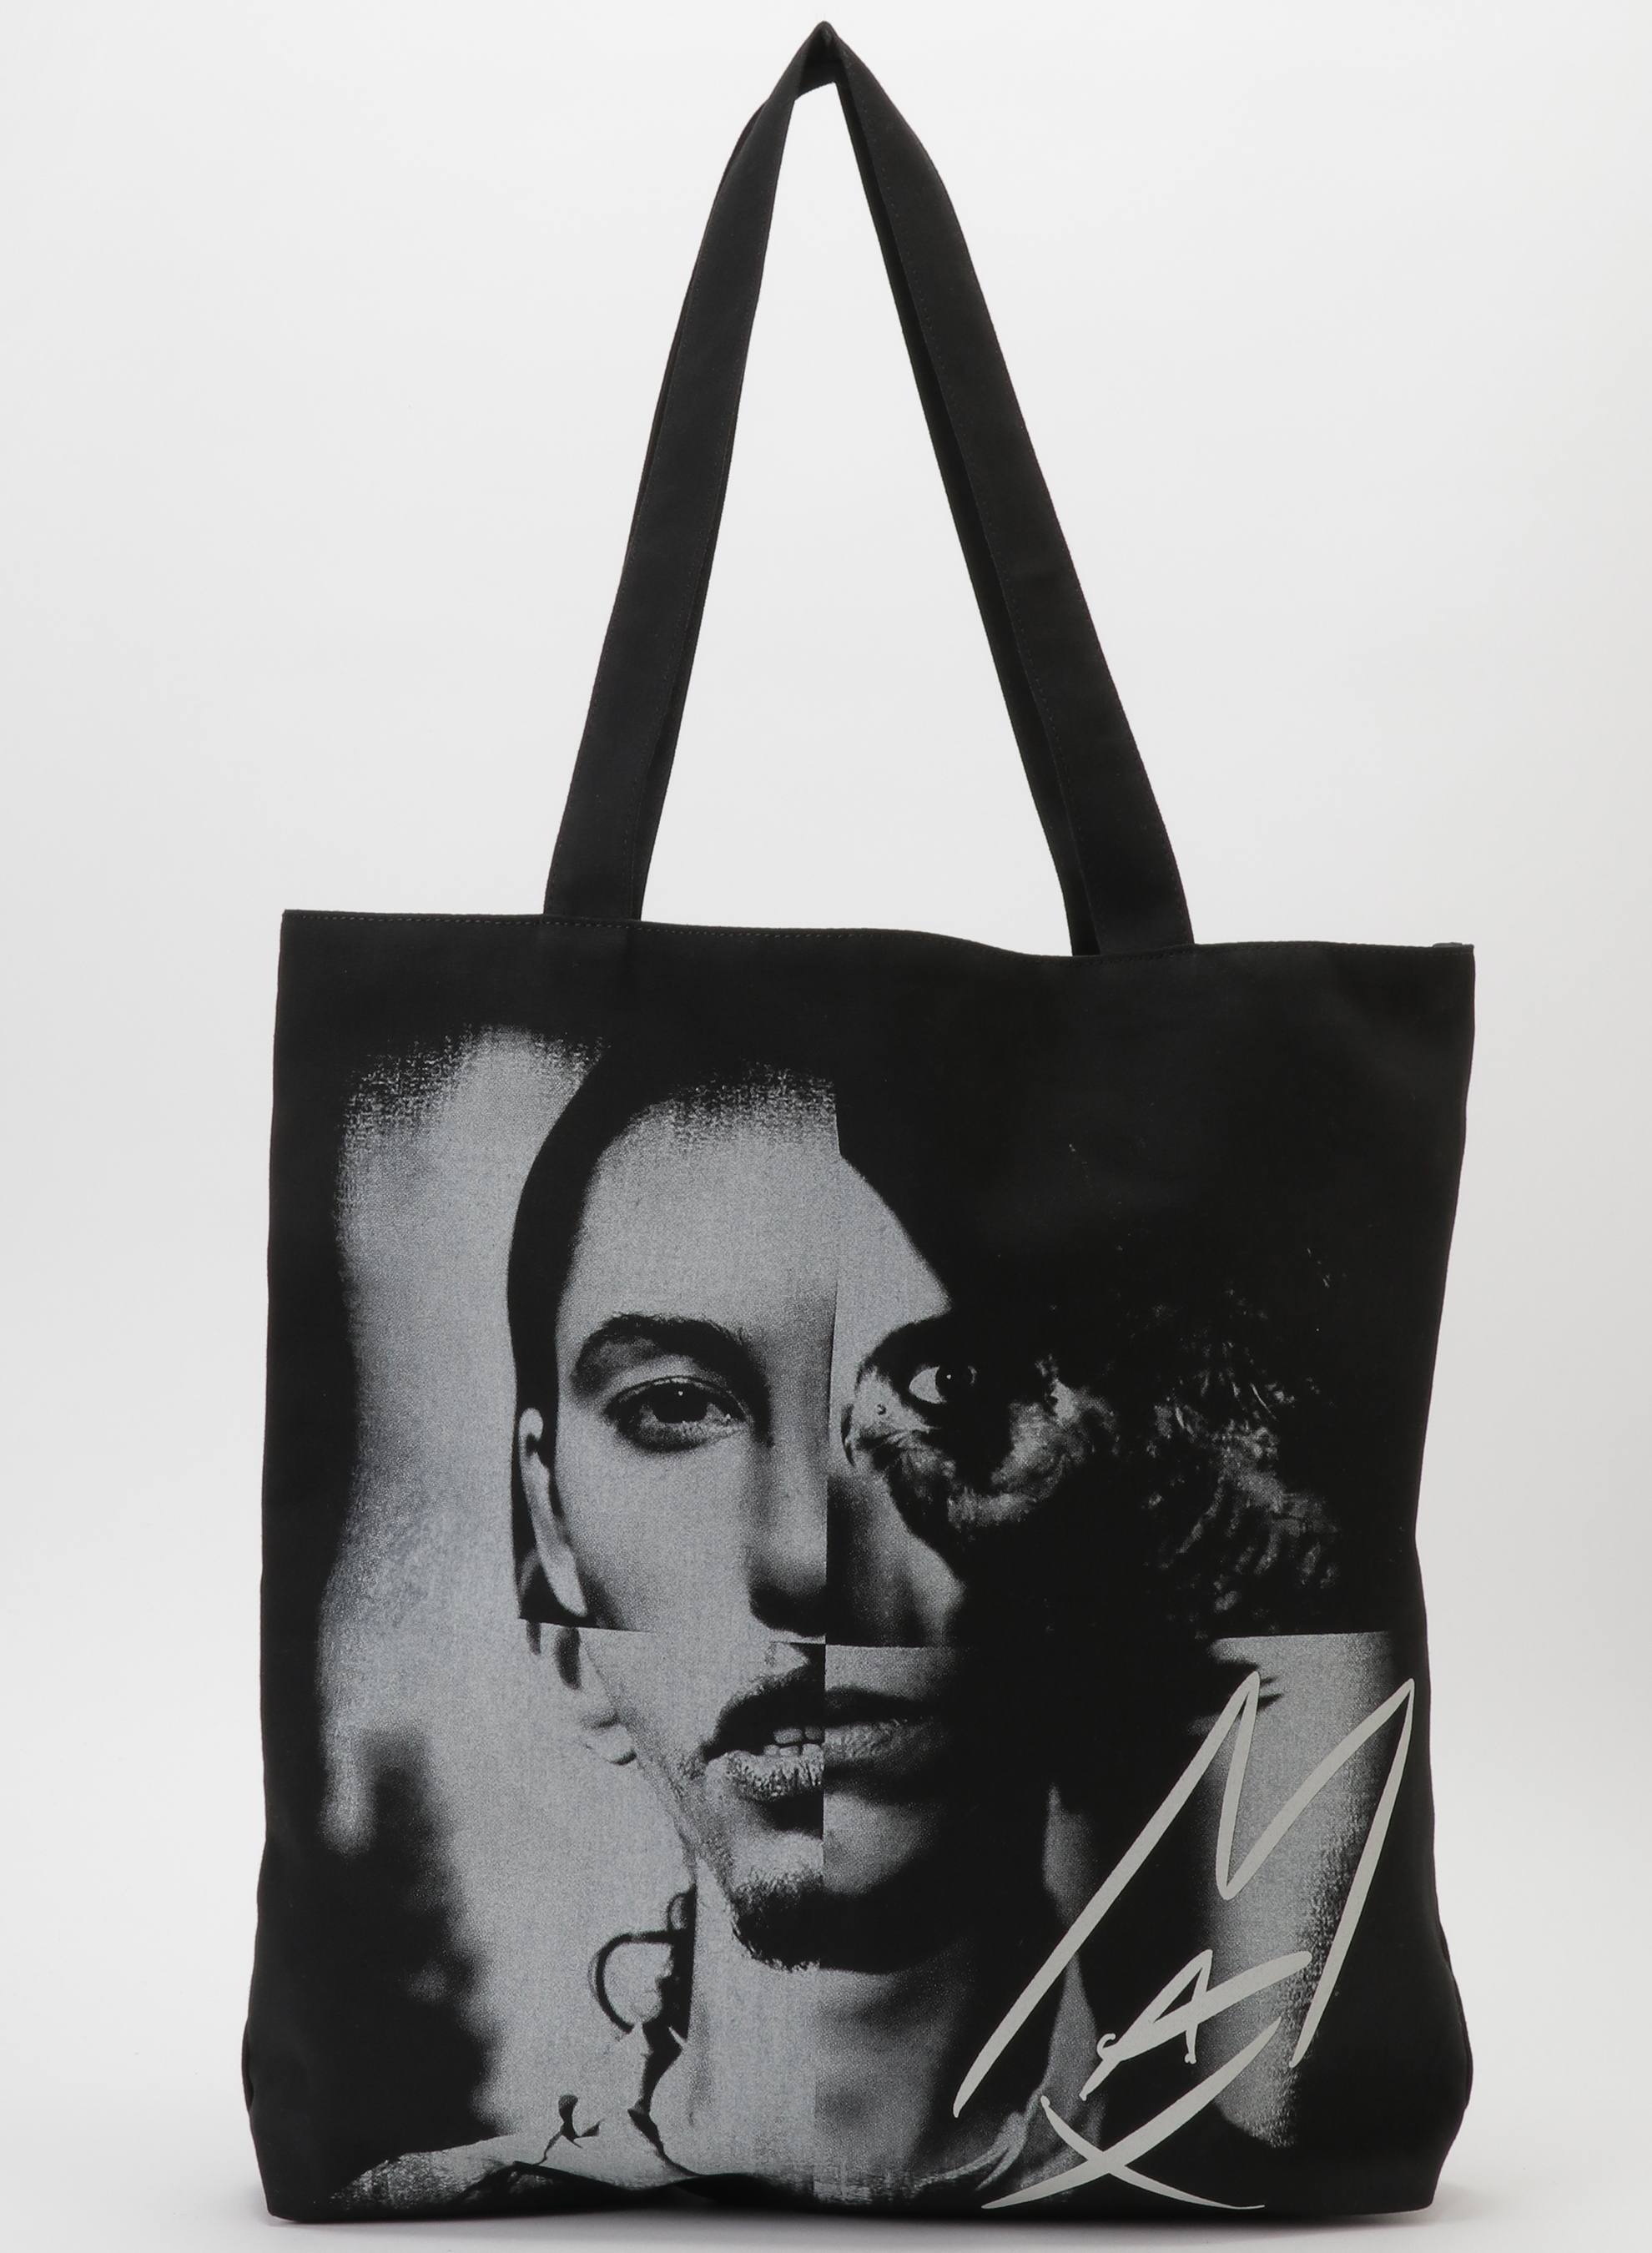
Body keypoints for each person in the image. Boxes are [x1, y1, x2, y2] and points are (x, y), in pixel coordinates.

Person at [340, 1035, 1391, 2218]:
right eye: (675, 1403)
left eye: (953, 1387)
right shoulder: (431, 2216)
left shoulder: (1258, 2183)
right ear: (552, 1557)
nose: (804, 1557)